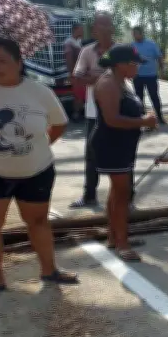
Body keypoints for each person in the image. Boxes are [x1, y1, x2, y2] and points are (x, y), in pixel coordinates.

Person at [0, 38, 79, 297]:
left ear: (19, 62)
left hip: (36, 170)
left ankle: (49, 271)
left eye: (2, 60)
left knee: (37, 221)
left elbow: (58, 124)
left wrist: (41, 146)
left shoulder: (39, 91)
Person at [91, 45, 158, 262]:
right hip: (112, 145)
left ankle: (114, 235)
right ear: (121, 64)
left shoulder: (122, 82)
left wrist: (144, 118)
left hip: (124, 144)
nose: (138, 68)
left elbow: (127, 112)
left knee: (118, 193)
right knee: (122, 194)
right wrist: (143, 121)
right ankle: (122, 243)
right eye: (135, 64)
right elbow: (112, 119)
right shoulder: (108, 83)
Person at [69, 12, 116, 209]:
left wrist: (94, 76)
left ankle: (126, 197)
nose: (103, 29)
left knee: (120, 156)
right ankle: (89, 195)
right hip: (93, 111)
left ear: (112, 28)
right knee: (91, 155)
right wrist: (108, 77)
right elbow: (77, 78)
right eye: (99, 26)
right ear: (94, 29)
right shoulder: (87, 51)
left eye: (107, 25)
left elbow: (129, 76)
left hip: (119, 111)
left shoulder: (121, 50)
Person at [131, 26, 165, 125]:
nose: (134, 36)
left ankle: (160, 117)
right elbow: (129, 60)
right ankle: (142, 117)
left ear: (141, 33)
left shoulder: (151, 44)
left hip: (151, 76)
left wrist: (162, 70)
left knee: (154, 96)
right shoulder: (132, 46)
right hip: (137, 76)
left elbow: (159, 57)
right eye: (133, 34)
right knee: (139, 98)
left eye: (136, 33)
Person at [64, 22, 85, 121]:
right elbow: (69, 59)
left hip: (81, 73)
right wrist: (72, 74)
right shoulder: (69, 42)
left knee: (81, 93)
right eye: (81, 29)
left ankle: (80, 112)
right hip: (75, 73)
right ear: (76, 30)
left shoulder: (79, 41)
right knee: (77, 95)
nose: (83, 31)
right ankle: (76, 115)